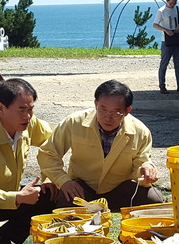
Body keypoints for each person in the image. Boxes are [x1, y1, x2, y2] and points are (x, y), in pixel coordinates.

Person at [37, 80, 164, 211]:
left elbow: (141, 163)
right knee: (65, 199)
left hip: (119, 188)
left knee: (154, 199)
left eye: (116, 112)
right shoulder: (74, 122)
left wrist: (146, 169)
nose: (108, 117)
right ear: (95, 103)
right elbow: (48, 153)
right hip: (82, 188)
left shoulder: (140, 131)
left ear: (127, 111)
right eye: (102, 110)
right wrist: (63, 181)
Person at [0, 78, 57, 244]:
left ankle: (0, 242)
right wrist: (17, 197)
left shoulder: (30, 123)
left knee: (50, 195)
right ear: (1, 108)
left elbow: (54, 144)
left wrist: (50, 177)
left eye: (31, 109)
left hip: (13, 194)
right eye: (22, 109)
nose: (28, 116)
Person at [153, 0, 179, 95]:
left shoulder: (178, 9)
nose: (173, 5)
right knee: (164, 64)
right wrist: (165, 30)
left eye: (174, 3)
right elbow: (155, 24)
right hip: (166, 41)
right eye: (171, 3)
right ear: (167, 1)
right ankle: (162, 86)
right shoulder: (161, 11)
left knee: (178, 64)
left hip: (177, 39)